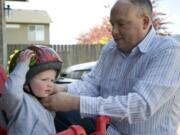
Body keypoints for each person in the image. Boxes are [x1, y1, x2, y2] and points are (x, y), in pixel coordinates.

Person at [42, 0, 180, 134]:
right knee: (53, 113)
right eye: (112, 24)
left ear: (145, 22)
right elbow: (93, 84)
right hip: (107, 128)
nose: (114, 31)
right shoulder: (111, 49)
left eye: (121, 24)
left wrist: (75, 102)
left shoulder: (168, 51)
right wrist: (61, 89)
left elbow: (140, 106)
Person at [0, 45, 62, 135]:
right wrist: (22, 66)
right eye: (44, 79)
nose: (50, 84)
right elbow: (11, 92)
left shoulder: (46, 103)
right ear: (25, 82)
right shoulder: (19, 102)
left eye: (52, 80)